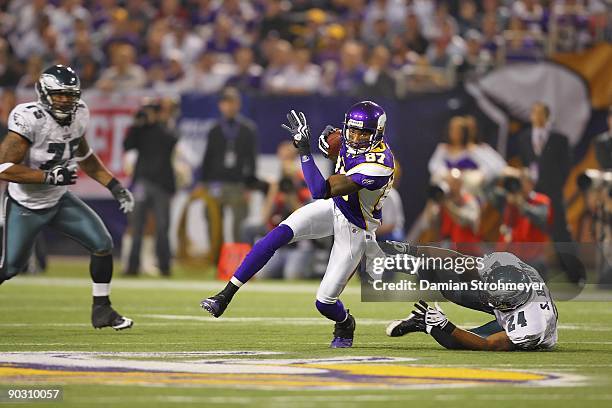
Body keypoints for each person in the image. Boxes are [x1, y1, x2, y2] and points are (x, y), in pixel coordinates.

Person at [200, 101, 395, 348]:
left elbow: (319, 189)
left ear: (377, 133)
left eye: (363, 133)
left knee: (324, 302)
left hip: (356, 226)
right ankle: (224, 296)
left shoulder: (379, 165)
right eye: (352, 131)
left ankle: (345, 322)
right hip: (336, 206)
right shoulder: (348, 138)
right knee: (275, 236)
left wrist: (304, 150)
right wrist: (327, 144)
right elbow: (334, 148)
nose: (355, 137)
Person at [0, 65, 135, 330]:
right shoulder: (30, 118)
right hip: (26, 204)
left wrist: (115, 186)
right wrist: (47, 177)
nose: (65, 100)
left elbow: (84, 156)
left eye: (70, 95)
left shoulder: (80, 113)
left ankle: (102, 310)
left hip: (59, 200)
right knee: (10, 267)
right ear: (44, 93)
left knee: (102, 243)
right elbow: (3, 167)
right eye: (59, 94)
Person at [383, 242, 558, 351]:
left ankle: (424, 324)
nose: (485, 296)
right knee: (447, 281)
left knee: (459, 341)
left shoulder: (533, 326)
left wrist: (446, 326)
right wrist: (411, 250)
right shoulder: (505, 263)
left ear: (510, 303)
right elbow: (459, 260)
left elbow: (489, 344)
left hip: (523, 326)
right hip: (514, 305)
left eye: (494, 298)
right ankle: (399, 264)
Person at [517, 102, 584, 284]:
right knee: (529, 233)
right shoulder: (524, 138)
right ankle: (529, 276)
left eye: (540, 113)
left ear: (547, 116)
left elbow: (566, 165)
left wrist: (556, 183)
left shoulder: (559, 138)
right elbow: (525, 163)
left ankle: (575, 274)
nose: (536, 117)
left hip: (553, 192)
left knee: (560, 232)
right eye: (534, 113)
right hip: (532, 193)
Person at [123, 99, 177, 277]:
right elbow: (127, 145)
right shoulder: (141, 130)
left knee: (162, 227)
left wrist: (157, 122)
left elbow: (171, 141)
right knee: (136, 226)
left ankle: (165, 266)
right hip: (143, 181)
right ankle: (132, 267)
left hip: (162, 184)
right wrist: (137, 124)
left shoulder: (166, 129)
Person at [200, 87, 257, 243]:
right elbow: (208, 157)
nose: (229, 106)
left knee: (240, 226)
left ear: (238, 104)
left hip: (238, 184)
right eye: (226, 103)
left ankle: (240, 262)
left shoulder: (247, 129)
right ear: (220, 105)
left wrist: (249, 186)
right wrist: (204, 183)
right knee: (214, 223)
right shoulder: (215, 129)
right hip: (216, 184)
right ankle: (217, 260)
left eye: (232, 102)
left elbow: (251, 160)